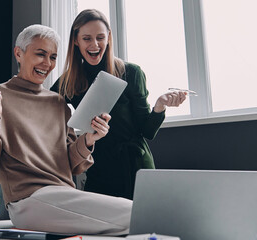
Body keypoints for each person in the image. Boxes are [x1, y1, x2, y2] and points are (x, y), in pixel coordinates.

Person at [0, 24, 132, 235]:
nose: (47, 63)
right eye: (40, 54)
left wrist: (90, 138)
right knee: (136, 214)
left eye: (53, 57)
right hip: (27, 202)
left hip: (62, 195)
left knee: (134, 215)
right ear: (19, 53)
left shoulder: (58, 102)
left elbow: (72, 165)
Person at [51, 9, 187, 199]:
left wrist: (160, 106)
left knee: (143, 225)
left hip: (136, 167)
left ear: (108, 37)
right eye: (87, 38)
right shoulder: (68, 81)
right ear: (76, 40)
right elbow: (44, 109)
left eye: (100, 37)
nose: (95, 44)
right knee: (98, 225)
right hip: (99, 167)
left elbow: (147, 131)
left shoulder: (131, 72)